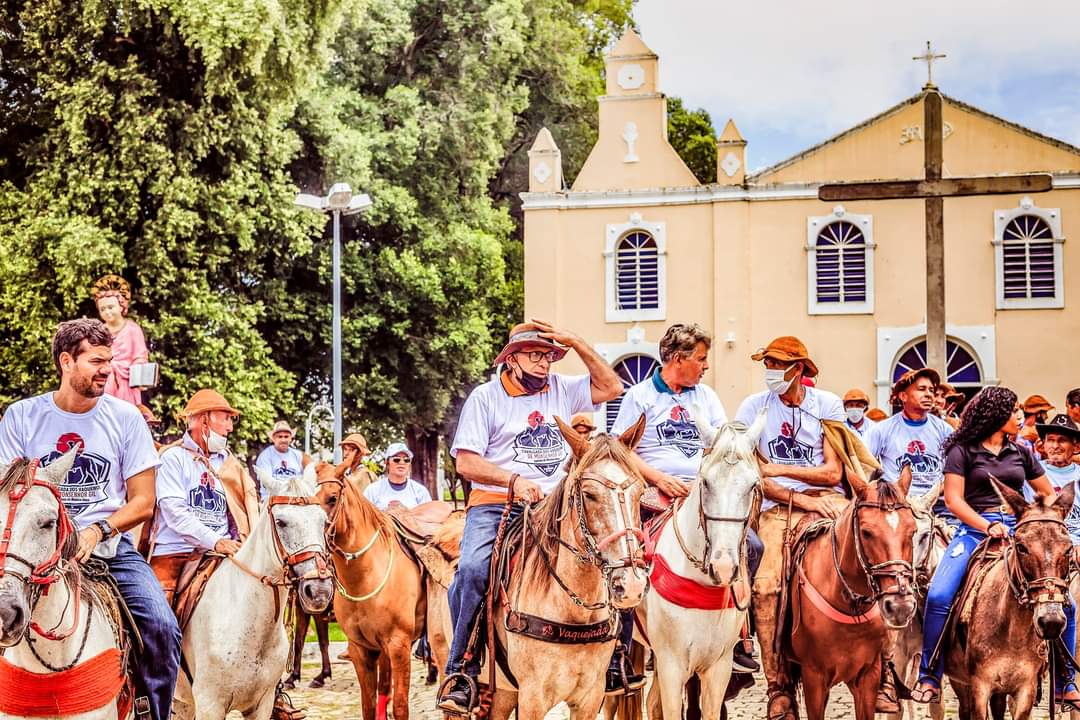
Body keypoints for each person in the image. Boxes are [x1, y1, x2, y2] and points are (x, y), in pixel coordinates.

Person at [437, 320, 622, 714]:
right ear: (512, 359)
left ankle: (614, 654)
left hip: (556, 504)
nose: (544, 363)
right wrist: (514, 480)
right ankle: (462, 671)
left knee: (616, 550)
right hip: (496, 503)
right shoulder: (486, 398)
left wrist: (576, 339)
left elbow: (612, 387)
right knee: (472, 571)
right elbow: (467, 462)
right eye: (535, 355)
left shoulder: (561, 388)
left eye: (549, 356)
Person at [0, 318, 180, 720]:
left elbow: (143, 501)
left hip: (109, 550)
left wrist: (97, 530)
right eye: (96, 361)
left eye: (109, 361)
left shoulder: (126, 418)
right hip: (31, 551)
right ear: (66, 361)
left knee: (162, 628)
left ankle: (153, 712)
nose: (107, 371)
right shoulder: (22, 417)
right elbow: (8, 493)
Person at [610, 323, 760, 692]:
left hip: (702, 492)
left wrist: (709, 482)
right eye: (701, 359)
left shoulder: (705, 396)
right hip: (652, 492)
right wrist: (659, 479)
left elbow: (725, 446)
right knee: (626, 556)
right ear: (678, 359)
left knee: (752, 546)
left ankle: (739, 635)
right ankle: (618, 647)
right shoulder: (640, 396)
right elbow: (622, 449)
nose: (705, 367)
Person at [911, 387, 1080, 706]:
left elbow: (1046, 494)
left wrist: (1038, 520)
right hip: (973, 531)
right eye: (1014, 411)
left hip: (1020, 530)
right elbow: (953, 499)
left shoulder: (1022, 452)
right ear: (996, 415)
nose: (1020, 417)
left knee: (1065, 602)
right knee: (939, 594)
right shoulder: (962, 450)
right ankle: (930, 674)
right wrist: (986, 525)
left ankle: (1065, 681)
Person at [734, 336, 849, 718]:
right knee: (765, 587)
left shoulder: (827, 404)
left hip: (830, 501)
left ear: (798, 369)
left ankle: (883, 668)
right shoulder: (753, 407)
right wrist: (799, 497)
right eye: (766, 364)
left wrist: (780, 468)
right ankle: (777, 686)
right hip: (776, 507)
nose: (769, 372)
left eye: (777, 365)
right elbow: (754, 473)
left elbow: (834, 471)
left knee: (874, 557)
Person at [148, 390, 244, 605]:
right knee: (158, 623)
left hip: (225, 552)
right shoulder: (173, 458)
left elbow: (242, 511)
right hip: (175, 554)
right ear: (204, 419)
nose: (230, 427)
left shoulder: (229, 463)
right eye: (226, 418)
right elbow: (175, 515)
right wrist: (215, 541)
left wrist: (236, 541)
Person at [865, 369, 953, 500]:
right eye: (921, 389)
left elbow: (957, 471)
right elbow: (862, 466)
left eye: (931, 390)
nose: (929, 395)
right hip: (896, 504)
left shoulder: (945, 430)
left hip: (937, 504)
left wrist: (932, 496)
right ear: (903, 396)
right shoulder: (882, 430)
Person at [94, 274, 150, 406]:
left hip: (127, 383)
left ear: (121, 306)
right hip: (105, 381)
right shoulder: (100, 331)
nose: (107, 312)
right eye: (102, 309)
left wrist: (139, 375)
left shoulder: (132, 329)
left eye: (110, 307)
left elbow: (140, 356)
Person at [364, 443, 432, 510]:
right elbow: (364, 517)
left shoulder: (420, 491)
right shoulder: (373, 490)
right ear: (387, 463)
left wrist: (406, 513)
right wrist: (385, 514)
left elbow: (429, 518)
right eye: (397, 459)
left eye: (406, 460)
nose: (402, 463)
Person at [255, 420, 311, 501]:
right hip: (273, 499)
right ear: (273, 438)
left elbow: (304, 480)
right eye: (280, 437)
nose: (283, 440)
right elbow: (268, 484)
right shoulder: (265, 456)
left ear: (291, 438)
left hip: (296, 499)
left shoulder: (298, 455)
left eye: (286, 436)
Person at [1035, 414, 1080, 495]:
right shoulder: (1031, 471)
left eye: (1062, 440)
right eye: (1050, 440)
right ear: (1043, 444)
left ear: (1077, 448)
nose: (1055, 446)